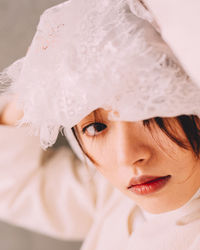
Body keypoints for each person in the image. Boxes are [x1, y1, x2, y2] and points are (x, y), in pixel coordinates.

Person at [0, 0, 200, 249]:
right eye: (96, 127)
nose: (127, 156)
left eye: (152, 113)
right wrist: (36, 84)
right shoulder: (114, 201)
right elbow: (12, 185)